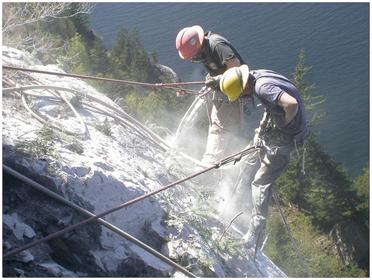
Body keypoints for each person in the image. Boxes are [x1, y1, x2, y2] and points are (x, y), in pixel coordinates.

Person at [209, 64, 308, 248]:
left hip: (287, 137)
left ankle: (255, 234)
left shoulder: (261, 87)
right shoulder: (253, 76)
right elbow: (235, 75)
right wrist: (218, 81)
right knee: (247, 161)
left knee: (260, 184)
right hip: (274, 127)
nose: (243, 98)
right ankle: (234, 205)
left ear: (245, 87)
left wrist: (283, 126)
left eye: (241, 94)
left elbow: (291, 104)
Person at [175, 25, 249, 164]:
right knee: (215, 125)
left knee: (219, 128)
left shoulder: (216, 45)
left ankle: (209, 164)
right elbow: (218, 68)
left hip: (235, 92)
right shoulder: (204, 49)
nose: (194, 58)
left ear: (198, 46)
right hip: (222, 90)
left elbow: (235, 66)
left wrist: (217, 80)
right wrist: (212, 77)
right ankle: (217, 158)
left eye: (194, 55)